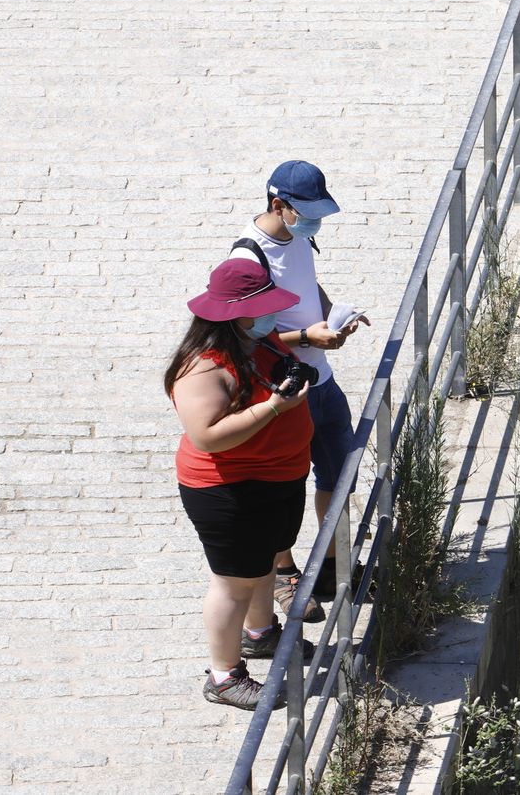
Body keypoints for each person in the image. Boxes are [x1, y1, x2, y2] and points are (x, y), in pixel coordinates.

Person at [167, 257, 315, 710]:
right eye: (264, 309)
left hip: (276, 479)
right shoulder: (202, 370)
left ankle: (260, 633)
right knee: (233, 584)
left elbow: (279, 345)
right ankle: (225, 677)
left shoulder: (256, 337)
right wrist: (274, 408)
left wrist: (304, 345)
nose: (272, 317)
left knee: (265, 564)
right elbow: (207, 436)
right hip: (228, 490)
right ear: (232, 314)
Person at [230, 160, 368, 624]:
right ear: (278, 205)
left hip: (323, 382)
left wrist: (335, 316)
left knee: (337, 474)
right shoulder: (248, 259)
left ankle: (329, 565)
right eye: (308, 212)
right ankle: (286, 574)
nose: (316, 222)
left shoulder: (300, 237)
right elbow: (243, 337)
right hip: (286, 391)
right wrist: (307, 338)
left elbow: (310, 285)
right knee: (283, 488)